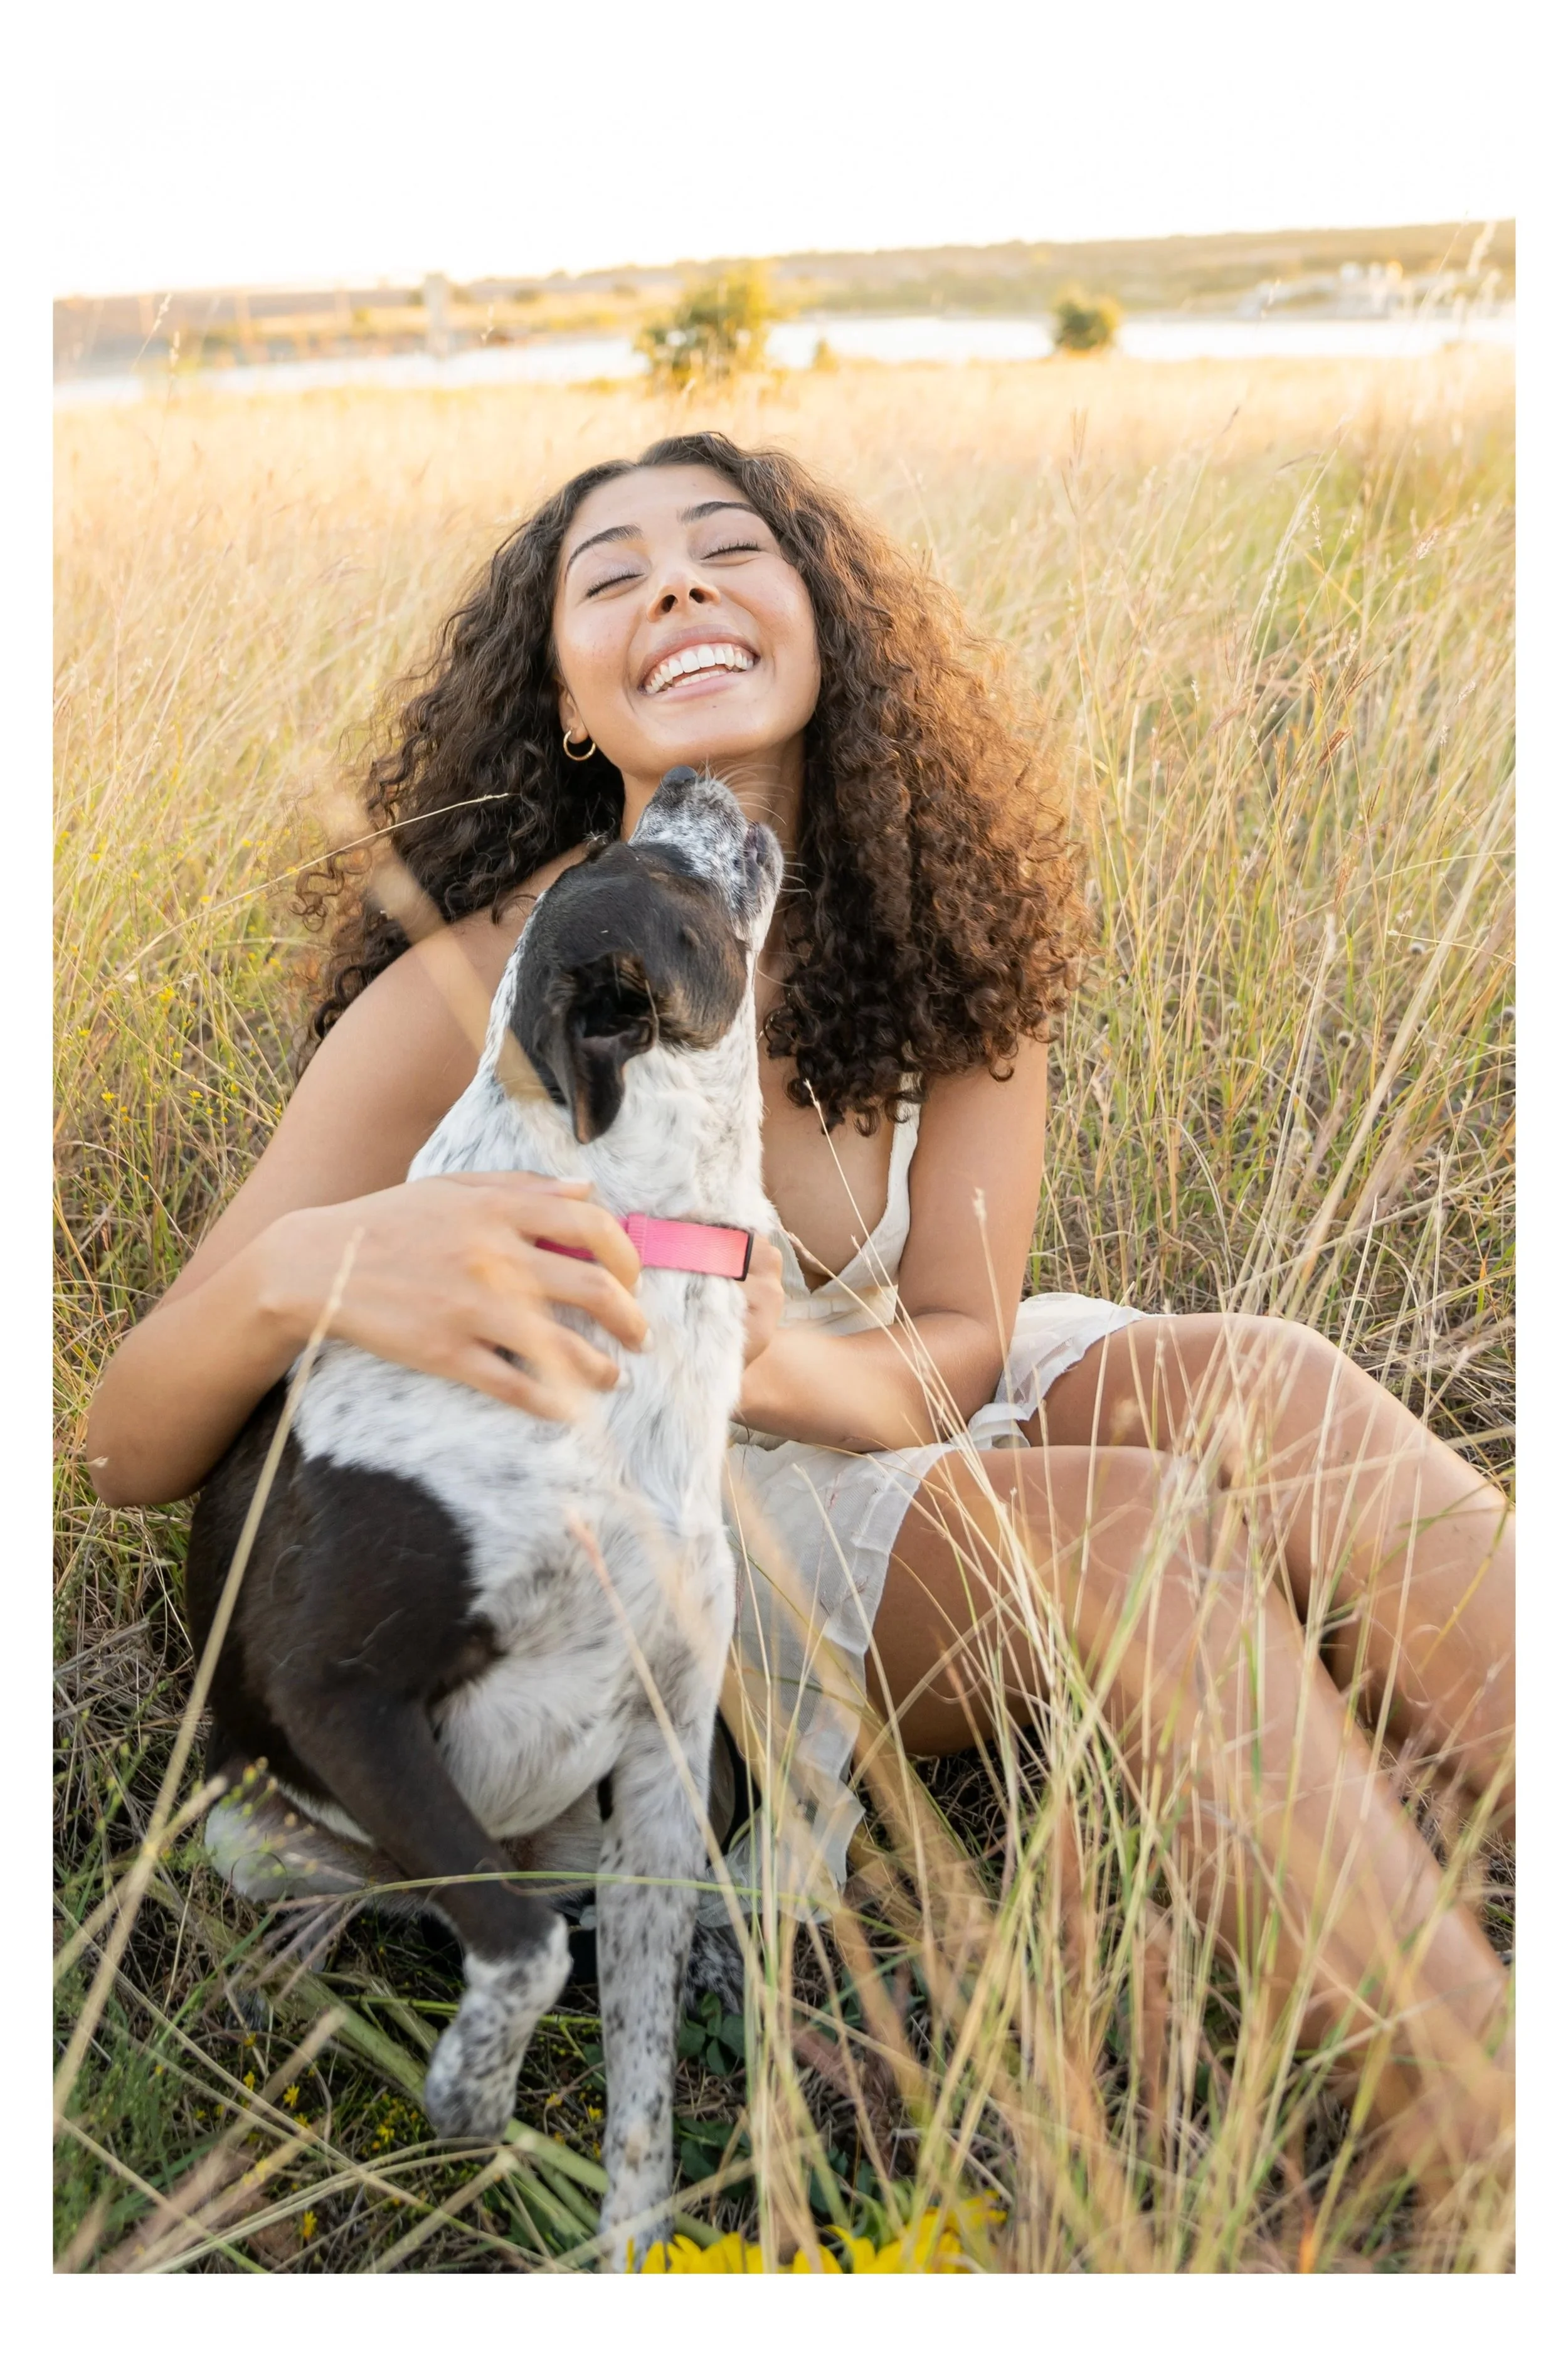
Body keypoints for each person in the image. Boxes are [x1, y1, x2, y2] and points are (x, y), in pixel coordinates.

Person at [86, 430, 1513, 2192]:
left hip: (837, 1384)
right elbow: (126, 1439)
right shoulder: (487, 980)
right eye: (607, 578)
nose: (671, 584)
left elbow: (960, 1338)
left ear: (829, 618)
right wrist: (320, 1268)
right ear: (568, 708)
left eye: (722, 548)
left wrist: (785, 1358)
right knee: (1116, 1525)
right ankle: (1480, 2120)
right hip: (641, 1514)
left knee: (1262, 1379)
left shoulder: (944, 940)